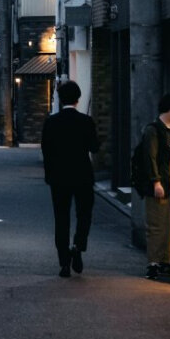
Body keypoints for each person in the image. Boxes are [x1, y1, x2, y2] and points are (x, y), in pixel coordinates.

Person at [41, 79, 100, 278]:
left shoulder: (51, 122)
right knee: (84, 215)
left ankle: (64, 263)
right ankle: (77, 246)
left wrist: (48, 175)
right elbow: (95, 147)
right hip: (82, 175)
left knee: (61, 218)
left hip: (58, 177)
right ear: (78, 99)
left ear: (60, 98)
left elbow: (46, 151)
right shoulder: (86, 121)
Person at [133, 94, 170, 279]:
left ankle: (165, 261)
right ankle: (154, 262)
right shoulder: (153, 130)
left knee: (169, 224)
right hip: (159, 185)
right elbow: (150, 157)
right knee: (156, 224)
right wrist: (156, 181)